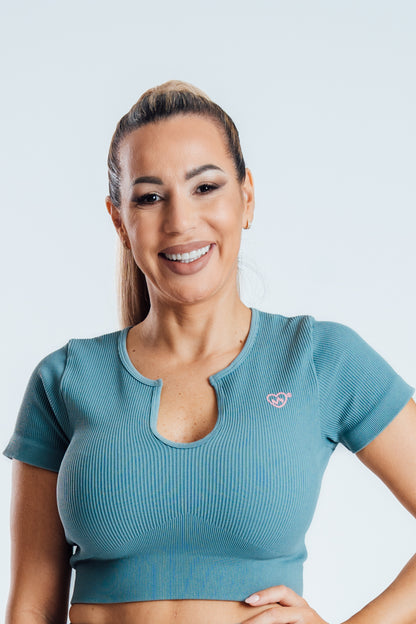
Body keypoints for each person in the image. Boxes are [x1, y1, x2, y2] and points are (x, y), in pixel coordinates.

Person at [3, 80, 416, 624]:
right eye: (150, 197)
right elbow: (30, 607)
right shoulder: (65, 379)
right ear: (119, 221)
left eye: (205, 187)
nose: (180, 221)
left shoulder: (320, 359)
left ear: (247, 198)